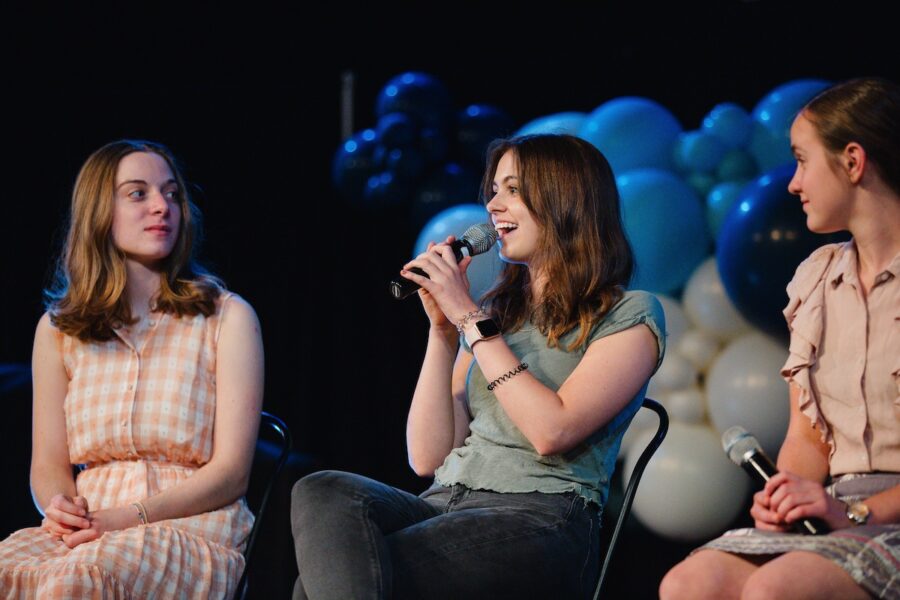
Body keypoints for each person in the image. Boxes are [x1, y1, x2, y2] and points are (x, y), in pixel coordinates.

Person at [290, 133, 666, 599]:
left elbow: (552, 430)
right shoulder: (497, 315)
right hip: (444, 503)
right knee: (322, 490)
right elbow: (427, 457)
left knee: (315, 585)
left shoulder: (630, 314)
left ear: (565, 198)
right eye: (493, 190)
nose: (492, 204)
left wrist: (469, 318)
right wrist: (443, 333)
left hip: (539, 516)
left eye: (512, 189)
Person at [660, 77, 900, 600]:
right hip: (837, 512)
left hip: (885, 516)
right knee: (687, 585)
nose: (792, 183)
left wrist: (856, 511)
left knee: (777, 590)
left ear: (853, 162)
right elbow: (807, 438)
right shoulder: (816, 279)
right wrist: (788, 494)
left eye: (802, 160)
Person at [0, 140, 264, 598]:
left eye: (171, 193)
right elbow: (48, 463)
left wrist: (128, 517)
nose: (162, 206)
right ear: (100, 210)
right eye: (138, 193)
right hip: (87, 527)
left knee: (78, 580)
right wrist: (61, 507)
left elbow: (231, 473)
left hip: (190, 529)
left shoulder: (227, 317)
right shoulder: (59, 329)